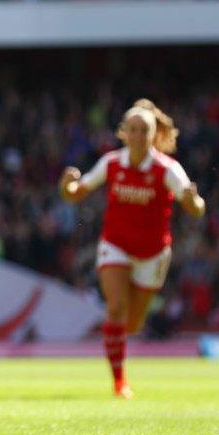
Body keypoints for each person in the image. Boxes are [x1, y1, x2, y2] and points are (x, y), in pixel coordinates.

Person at [59, 101, 205, 399]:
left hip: (152, 253)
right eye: (133, 130)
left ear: (154, 135)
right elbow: (76, 194)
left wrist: (192, 201)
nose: (138, 135)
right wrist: (66, 186)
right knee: (115, 308)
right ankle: (119, 382)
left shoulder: (167, 169)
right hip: (116, 244)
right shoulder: (111, 163)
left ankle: (119, 359)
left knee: (134, 323)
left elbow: (197, 209)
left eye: (144, 130)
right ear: (123, 133)